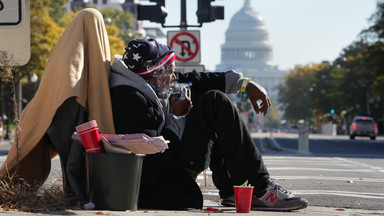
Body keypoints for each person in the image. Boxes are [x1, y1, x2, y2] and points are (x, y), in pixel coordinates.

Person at [109, 38, 308, 211]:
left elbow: (197, 80)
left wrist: (245, 84)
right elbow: (153, 159)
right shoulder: (129, 100)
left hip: (168, 160)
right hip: (160, 178)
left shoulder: (145, 79)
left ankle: (232, 189)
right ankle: (261, 188)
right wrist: (177, 118)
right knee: (215, 102)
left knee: (210, 100)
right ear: (152, 74)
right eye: (168, 72)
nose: (173, 77)